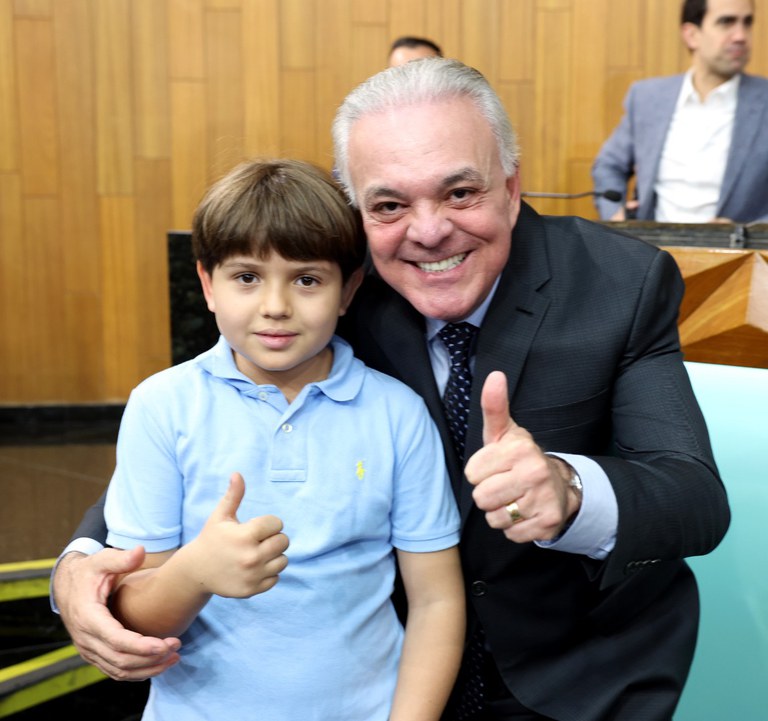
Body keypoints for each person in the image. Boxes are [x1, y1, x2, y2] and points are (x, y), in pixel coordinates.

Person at [52, 59, 731, 721]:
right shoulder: (327, 284)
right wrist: (78, 564)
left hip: (582, 673)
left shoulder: (618, 283)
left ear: (511, 184)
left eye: (459, 193)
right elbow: (192, 446)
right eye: (389, 204)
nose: (428, 231)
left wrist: (569, 489)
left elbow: (694, 496)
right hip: (389, 672)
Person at [89, 158, 465, 721]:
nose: (275, 306)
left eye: (307, 280)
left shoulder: (398, 414)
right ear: (207, 284)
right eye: (247, 277)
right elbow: (135, 617)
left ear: (348, 290)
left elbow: (436, 600)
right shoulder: (162, 407)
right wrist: (194, 573)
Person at [592, 0, 768, 224]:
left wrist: (748, 232)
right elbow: (609, 165)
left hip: (738, 246)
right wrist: (615, 215)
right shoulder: (647, 98)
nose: (741, 36)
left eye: (747, 22)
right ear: (691, 35)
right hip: (652, 243)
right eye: (726, 22)